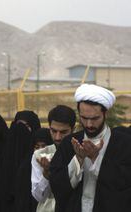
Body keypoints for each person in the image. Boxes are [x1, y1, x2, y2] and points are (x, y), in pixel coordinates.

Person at [50, 84, 131, 212]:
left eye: (95, 118)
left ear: (106, 114)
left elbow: (124, 183)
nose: (89, 124)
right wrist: (78, 160)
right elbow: (57, 185)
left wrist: (96, 159)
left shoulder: (124, 144)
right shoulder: (69, 143)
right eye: (84, 118)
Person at [31, 105, 76, 212]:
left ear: (73, 129)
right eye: (53, 131)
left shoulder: (81, 152)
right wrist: (46, 175)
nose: (57, 137)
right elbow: (38, 196)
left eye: (63, 132)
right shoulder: (40, 155)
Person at [1, 110, 41, 212]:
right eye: (19, 125)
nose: (21, 130)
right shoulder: (5, 154)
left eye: (27, 126)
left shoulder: (40, 154)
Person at [15, 128, 53, 212]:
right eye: (37, 147)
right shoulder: (26, 167)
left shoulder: (56, 162)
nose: (40, 151)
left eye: (44, 146)